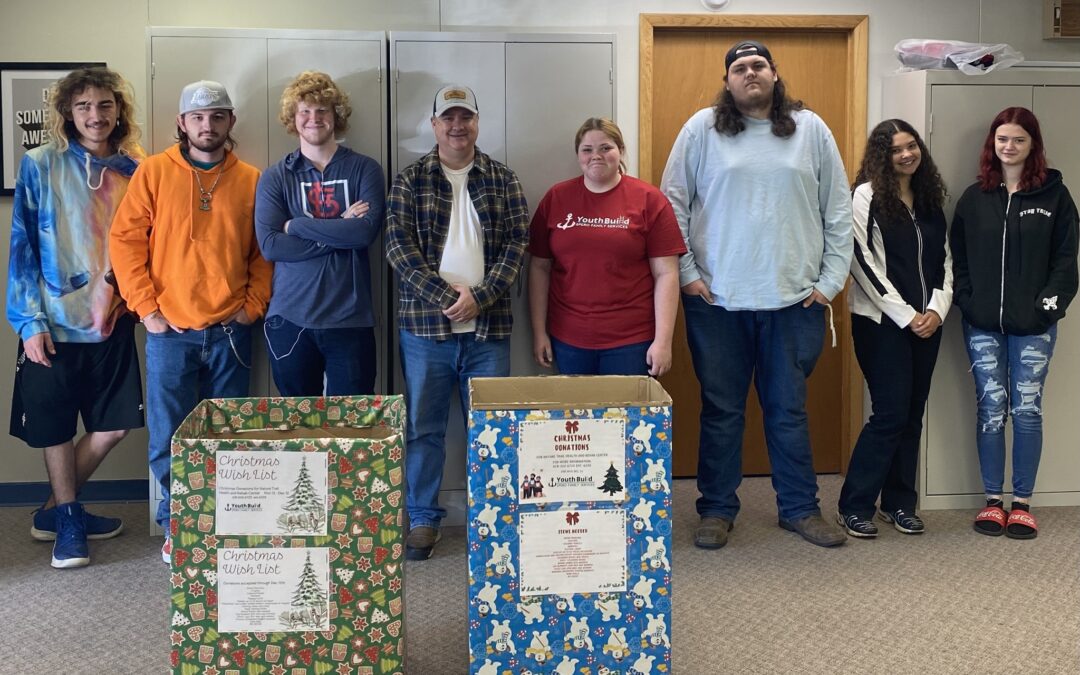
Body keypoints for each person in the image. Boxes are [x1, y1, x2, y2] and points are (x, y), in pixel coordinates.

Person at [660, 40, 853, 549]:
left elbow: (838, 209)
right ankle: (716, 510)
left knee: (788, 411)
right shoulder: (701, 129)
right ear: (727, 81)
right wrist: (687, 273)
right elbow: (672, 205)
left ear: (774, 74)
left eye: (758, 65)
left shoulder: (811, 129)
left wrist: (830, 283)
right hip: (716, 301)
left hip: (794, 301)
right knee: (721, 411)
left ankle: (800, 509)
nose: (750, 73)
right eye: (740, 68)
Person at [110, 80, 271, 562]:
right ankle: (178, 525)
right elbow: (125, 242)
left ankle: (223, 525)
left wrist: (251, 307)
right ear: (182, 123)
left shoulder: (252, 179)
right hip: (169, 333)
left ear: (230, 122)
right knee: (169, 437)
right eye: (197, 117)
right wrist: (147, 311)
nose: (207, 125)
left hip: (230, 332)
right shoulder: (154, 172)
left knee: (228, 436)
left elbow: (263, 253)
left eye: (217, 116)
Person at [6, 67, 145, 568]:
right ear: (68, 111)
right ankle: (67, 518)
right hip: (52, 321)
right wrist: (29, 321)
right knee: (57, 426)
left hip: (114, 318)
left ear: (118, 110)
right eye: (84, 105)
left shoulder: (136, 168)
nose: (95, 115)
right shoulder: (40, 163)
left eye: (105, 104)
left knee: (115, 426)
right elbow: (22, 246)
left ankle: (53, 510)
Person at [385, 84, 528, 560]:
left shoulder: (502, 179)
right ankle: (423, 519)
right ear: (434, 125)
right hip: (425, 332)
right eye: (448, 117)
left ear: (477, 122)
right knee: (423, 428)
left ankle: (491, 517)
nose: (457, 126)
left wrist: (480, 298)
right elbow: (397, 248)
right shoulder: (410, 180)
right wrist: (449, 298)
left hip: (489, 331)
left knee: (490, 430)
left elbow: (518, 244)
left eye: (465, 117)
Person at [951, 107, 1078, 540]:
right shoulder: (975, 198)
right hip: (982, 324)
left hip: (1034, 327)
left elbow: (1066, 262)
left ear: (1032, 145)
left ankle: (1021, 502)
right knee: (990, 410)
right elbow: (957, 257)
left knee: (1026, 411)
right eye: (1002, 139)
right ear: (993, 143)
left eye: (1019, 139)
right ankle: (992, 500)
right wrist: (968, 302)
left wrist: (1046, 309)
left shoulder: (1055, 197)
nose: (1009, 146)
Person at [837, 119, 951, 538]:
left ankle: (899, 503)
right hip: (881, 323)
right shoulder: (865, 196)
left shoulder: (929, 198)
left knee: (912, 415)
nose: (906, 154)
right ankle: (854, 505)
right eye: (896, 149)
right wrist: (906, 315)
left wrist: (936, 310)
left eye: (911, 146)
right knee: (889, 414)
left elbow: (946, 260)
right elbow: (860, 262)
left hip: (928, 323)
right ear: (881, 156)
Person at [255, 71, 385, 396]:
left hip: (350, 319)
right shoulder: (276, 177)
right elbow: (271, 245)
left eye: (322, 110)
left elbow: (363, 234)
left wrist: (296, 225)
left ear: (336, 115)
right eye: (305, 111)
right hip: (289, 320)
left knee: (352, 423)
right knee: (297, 422)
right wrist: (341, 226)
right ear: (293, 118)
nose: (314, 119)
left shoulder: (365, 169)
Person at [528, 117, 685, 377]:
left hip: (632, 341)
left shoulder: (649, 200)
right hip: (569, 339)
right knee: (577, 406)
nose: (596, 156)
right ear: (578, 155)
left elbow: (667, 273)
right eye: (587, 149)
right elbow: (539, 267)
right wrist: (539, 332)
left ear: (620, 150)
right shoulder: (557, 198)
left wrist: (663, 341)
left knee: (627, 406)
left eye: (605, 148)